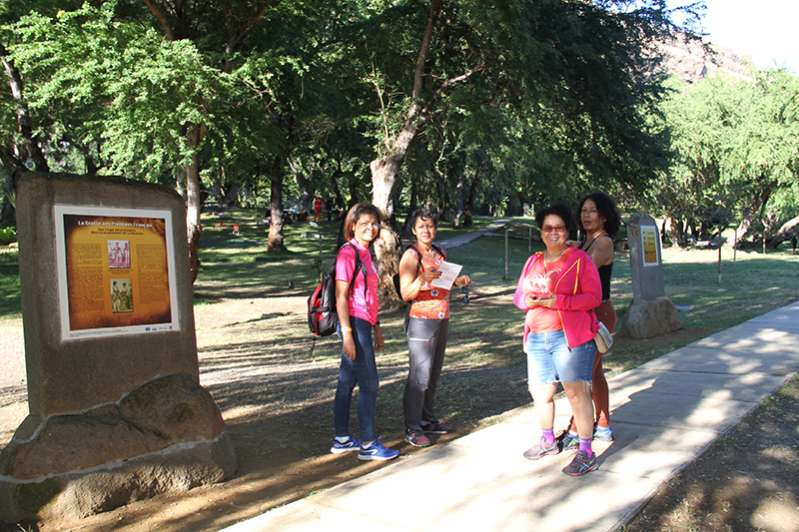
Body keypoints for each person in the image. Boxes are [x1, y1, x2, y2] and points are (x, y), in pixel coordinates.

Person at [513, 203, 602, 477]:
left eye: (560, 228)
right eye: (548, 228)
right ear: (541, 232)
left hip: (569, 337)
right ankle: (548, 440)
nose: (554, 233)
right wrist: (527, 300)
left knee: (577, 393)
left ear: (567, 231)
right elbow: (518, 297)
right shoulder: (534, 261)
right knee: (541, 393)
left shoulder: (579, 260)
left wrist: (557, 301)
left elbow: (593, 297)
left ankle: (586, 451)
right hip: (538, 337)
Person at [330, 203, 400, 461]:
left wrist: (377, 327)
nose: (371, 228)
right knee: (369, 383)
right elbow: (341, 296)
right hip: (353, 323)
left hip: (364, 323)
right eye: (365, 224)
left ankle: (342, 438)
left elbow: (369, 296)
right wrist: (348, 333)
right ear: (352, 226)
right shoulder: (348, 253)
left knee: (347, 381)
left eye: (375, 223)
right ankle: (369, 443)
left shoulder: (366, 253)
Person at [398, 208, 471, 447]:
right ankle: (412, 427)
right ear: (414, 230)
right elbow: (406, 293)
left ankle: (428, 420)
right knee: (420, 375)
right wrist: (422, 279)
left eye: (430, 226)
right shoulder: (411, 256)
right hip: (421, 320)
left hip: (442, 317)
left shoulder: (439, 252)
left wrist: (458, 281)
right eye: (421, 226)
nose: (426, 230)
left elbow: (443, 281)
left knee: (433, 373)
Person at [562, 192, 622, 449]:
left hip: (600, 314)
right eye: (584, 211)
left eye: (592, 211)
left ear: (604, 216)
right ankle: (604, 424)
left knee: (582, 373)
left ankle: (577, 428)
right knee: (594, 372)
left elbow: (581, 272)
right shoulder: (585, 243)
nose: (586, 215)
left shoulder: (603, 243)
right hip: (584, 313)